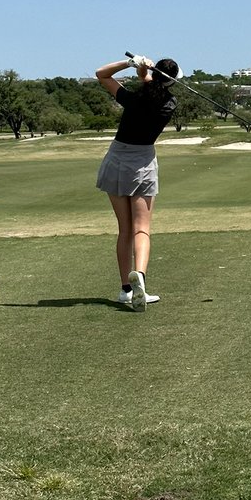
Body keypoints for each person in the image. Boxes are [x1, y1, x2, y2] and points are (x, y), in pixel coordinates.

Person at [95, 54, 179, 311]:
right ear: (172, 82)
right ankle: (139, 276)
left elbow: (102, 74)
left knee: (125, 230)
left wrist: (133, 64)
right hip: (142, 163)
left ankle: (125, 290)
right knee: (142, 228)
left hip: (117, 160)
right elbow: (152, 88)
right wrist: (146, 73)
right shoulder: (169, 104)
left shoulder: (132, 99)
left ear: (153, 76)